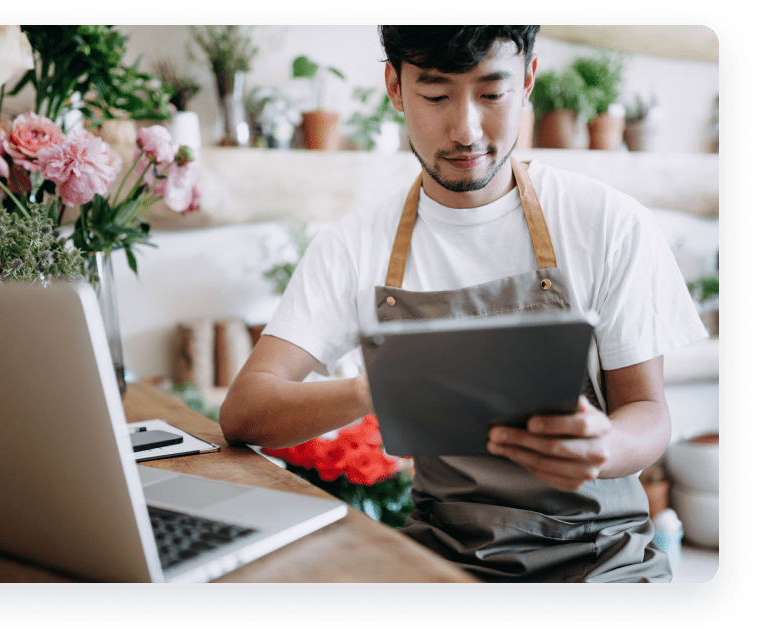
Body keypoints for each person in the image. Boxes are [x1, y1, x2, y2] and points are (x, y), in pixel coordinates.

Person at [219, 25, 708, 583]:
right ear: (395, 88)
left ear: (527, 81)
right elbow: (244, 413)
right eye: (435, 95)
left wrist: (607, 445)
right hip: (447, 558)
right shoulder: (352, 245)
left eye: (492, 93)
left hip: (602, 561)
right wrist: (373, 388)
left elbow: (648, 412)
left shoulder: (608, 223)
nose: (466, 129)